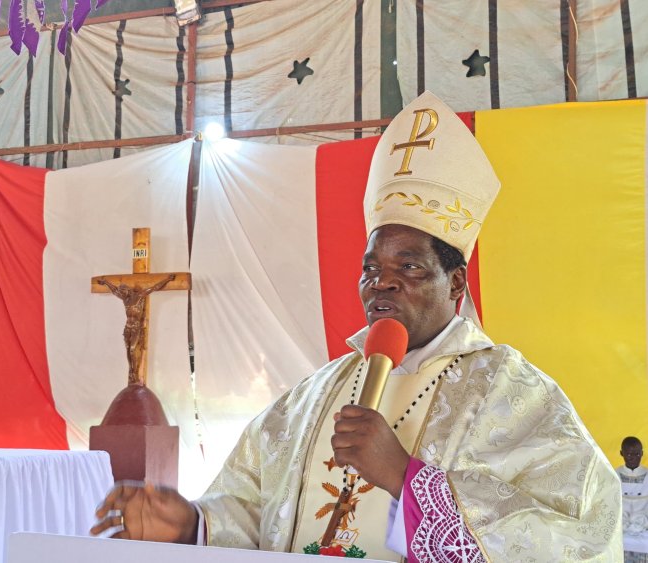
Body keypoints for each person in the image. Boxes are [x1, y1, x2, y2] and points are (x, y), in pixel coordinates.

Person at [91, 92, 622, 560]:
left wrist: (406, 480)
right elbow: (253, 506)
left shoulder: (513, 392)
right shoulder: (315, 395)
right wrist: (193, 525)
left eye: (409, 267)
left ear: (456, 285)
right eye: (371, 269)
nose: (381, 285)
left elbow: (579, 538)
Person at [98, 274, 175, 385]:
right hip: (127, 327)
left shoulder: (139, 296)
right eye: (121, 292)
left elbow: (154, 288)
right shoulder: (125, 299)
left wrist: (167, 279)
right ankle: (131, 370)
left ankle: (134, 371)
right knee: (128, 349)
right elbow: (114, 290)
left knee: (133, 349)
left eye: (123, 291)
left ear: (127, 290)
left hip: (136, 328)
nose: (121, 294)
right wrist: (105, 282)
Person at [618, 436, 648, 562]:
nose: (633, 458)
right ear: (621, 453)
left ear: (642, 453)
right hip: (621, 527)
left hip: (644, 526)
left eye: (637, 454)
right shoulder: (614, 475)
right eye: (629, 454)